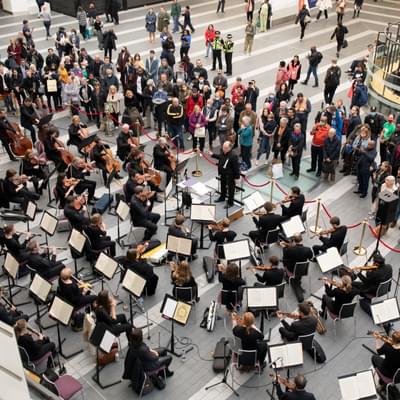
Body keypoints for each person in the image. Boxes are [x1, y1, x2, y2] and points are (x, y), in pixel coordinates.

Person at [281, 234, 313, 302]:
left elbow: (284, 260)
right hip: (303, 269)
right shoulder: (307, 249)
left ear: (294, 241)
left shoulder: (289, 250)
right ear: (302, 239)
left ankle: (288, 277)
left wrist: (284, 248)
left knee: (284, 264)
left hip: (292, 270)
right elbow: (310, 257)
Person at [216, 141, 240, 208]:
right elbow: (220, 157)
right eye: (223, 147)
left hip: (230, 176)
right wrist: (212, 154)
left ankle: (230, 202)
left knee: (231, 189)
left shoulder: (233, 156)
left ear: (229, 148)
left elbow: (236, 167)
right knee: (222, 186)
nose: (223, 149)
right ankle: (222, 197)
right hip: (223, 173)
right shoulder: (223, 152)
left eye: (225, 148)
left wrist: (237, 177)